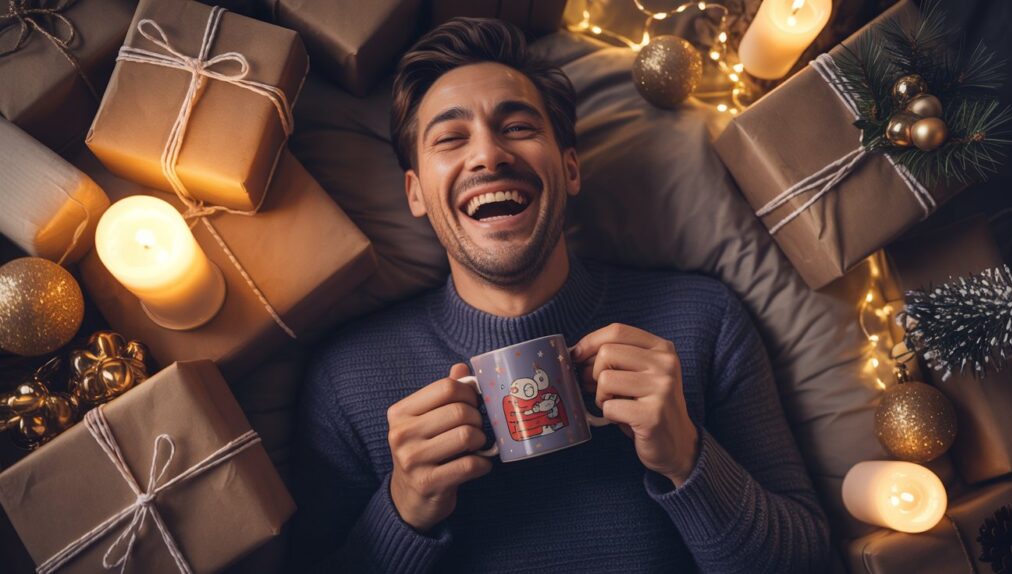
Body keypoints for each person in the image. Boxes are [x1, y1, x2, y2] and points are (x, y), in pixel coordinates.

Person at [290, 17, 829, 573]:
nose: (488, 156)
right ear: (416, 193)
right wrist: (403, 509)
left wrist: (690, 460)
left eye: (518, 126)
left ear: (569, 169)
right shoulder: (345, 379)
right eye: (451, 138)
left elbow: (810, 562)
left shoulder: (703, 321)